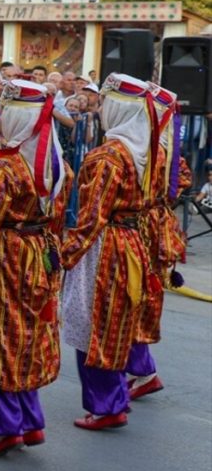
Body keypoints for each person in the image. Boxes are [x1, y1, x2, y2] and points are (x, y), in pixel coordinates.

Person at [0, 80, 72, 456]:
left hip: (5, 256)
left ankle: (8, 428)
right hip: (41, 253)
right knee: (27, 339)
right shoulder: (57, 163)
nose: (0, 118)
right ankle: (31, 421)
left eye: (6, 112)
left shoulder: (3, 167)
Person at [61, 73, 156, 430]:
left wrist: (64, 256)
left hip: (105, 247)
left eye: (103, 104)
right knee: (116, 324)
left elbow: (91, 218)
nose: (98, 110)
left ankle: (107, 405)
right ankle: (114, 398)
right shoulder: (143, 150)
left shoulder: (108, 156)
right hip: (131, 241)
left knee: (93, 325)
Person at [126, 84, 192, 399]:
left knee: (136, 297)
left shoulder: (152, 147)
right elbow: (183, 179)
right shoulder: (160, 145)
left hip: (144, 227)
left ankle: (143, 371)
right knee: (141, 296)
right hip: (155, 223)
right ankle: (141, 368)